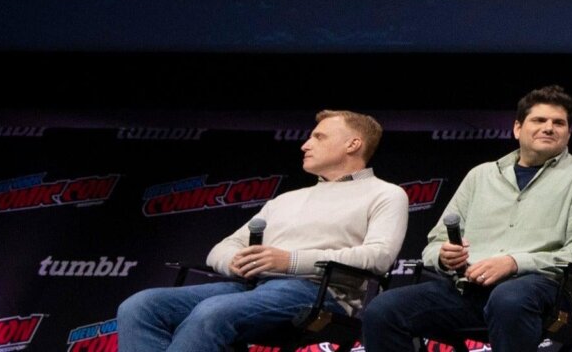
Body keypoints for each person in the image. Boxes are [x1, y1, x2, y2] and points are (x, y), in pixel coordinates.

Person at [118, 110, 408, 352]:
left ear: (353, 144)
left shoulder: (385, 194)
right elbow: (223, 247)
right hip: (248, 287)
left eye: (318, 137)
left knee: (213, 311)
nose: (305, 144)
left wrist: (289, 261)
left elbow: (378, 257)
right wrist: (233, 261)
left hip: (318, 293)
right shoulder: (286, 199)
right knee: (142, 305)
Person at [363, 85, 572, 352]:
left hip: (543, 291)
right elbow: (435, 242)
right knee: (383, 309)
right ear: (517, 128)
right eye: (539, 120)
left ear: (568, 133)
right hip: (468, 292)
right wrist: (444, 257)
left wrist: (513, 263)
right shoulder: (480, 176)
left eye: (558, 123)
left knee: (509, 297)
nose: (549, 128)